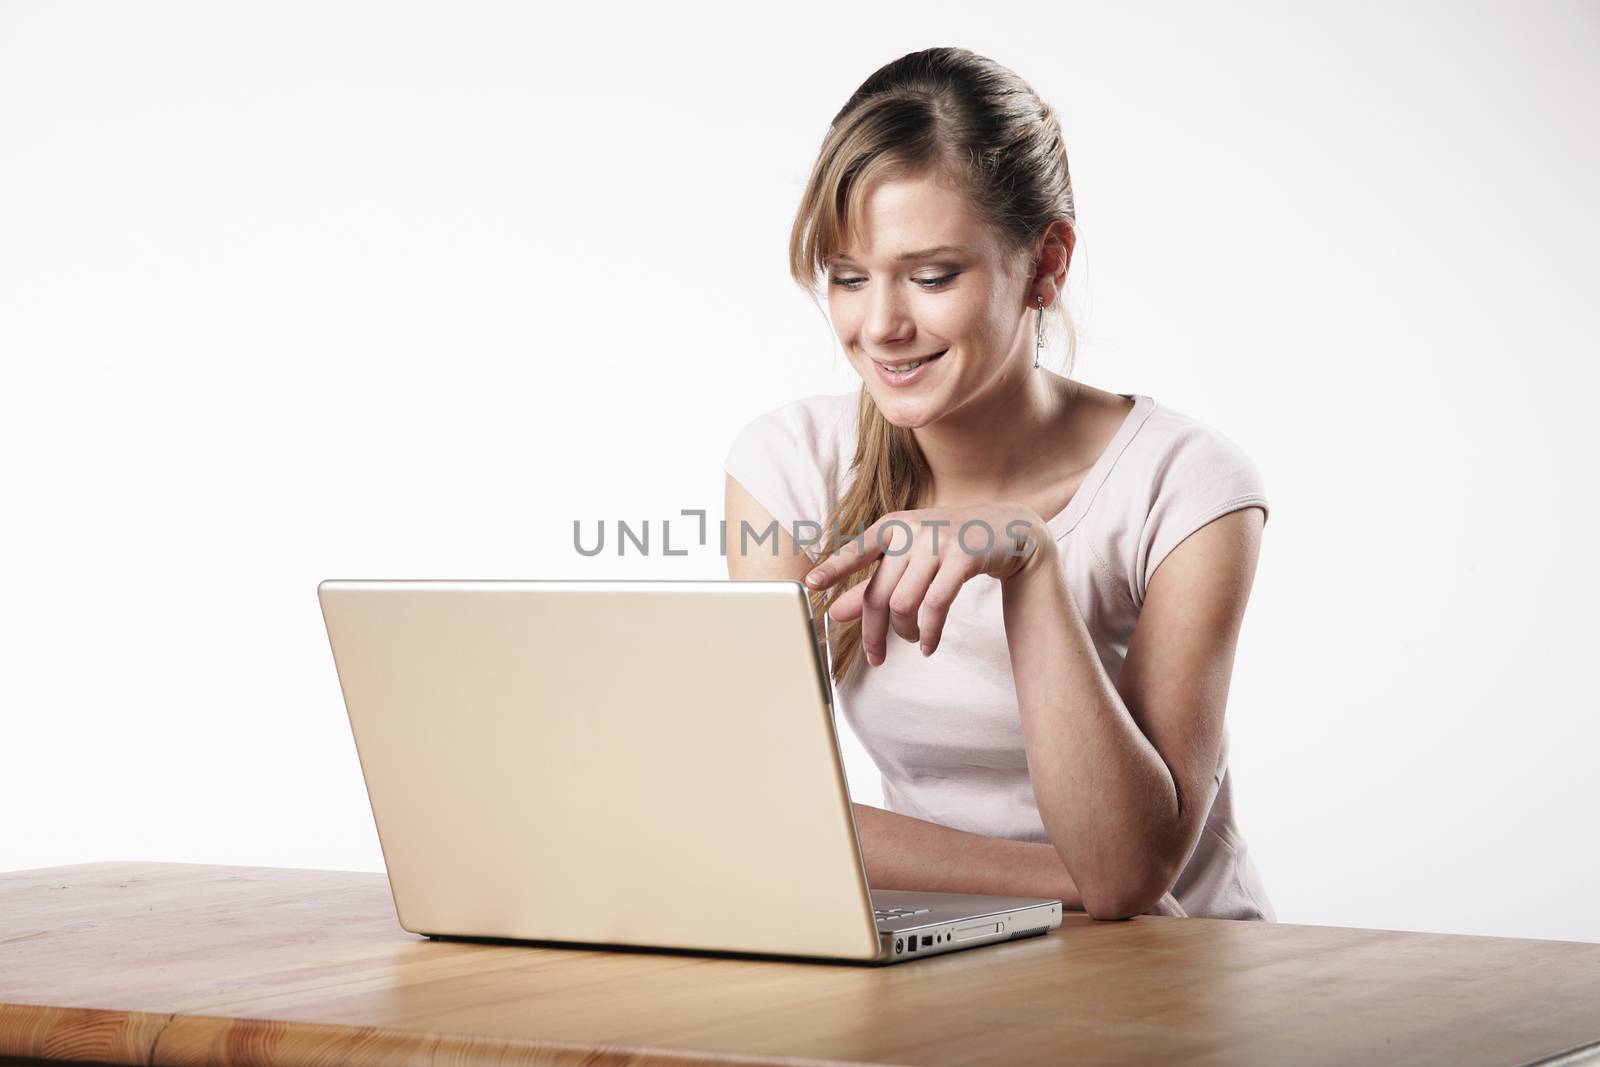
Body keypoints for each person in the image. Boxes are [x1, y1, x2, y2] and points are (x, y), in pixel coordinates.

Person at [723, 46, 1275, 922]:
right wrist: (1069, 884)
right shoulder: (792, 465)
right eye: (849, 278)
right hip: (959, 949)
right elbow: (761, 807)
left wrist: (1029, 561)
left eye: (933, 275)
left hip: (1176, 977)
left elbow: (1133, 865)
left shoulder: (1186, 484)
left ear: (1047, 263)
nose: (881, 326)